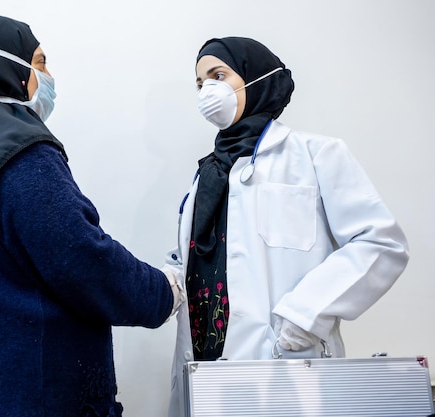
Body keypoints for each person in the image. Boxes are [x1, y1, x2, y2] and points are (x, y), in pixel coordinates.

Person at [0, 15, 183, 417]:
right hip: (28, 392)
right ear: (9, 67)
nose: (48, 76)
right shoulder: (21, 152)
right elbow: (82, 260)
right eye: (40, 63)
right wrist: (163, 292)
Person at [165, 36, 409, 417]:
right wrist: (168, 280)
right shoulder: (206, 177)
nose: (206, 91)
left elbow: (380, 242)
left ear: (256, 78)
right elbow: (194, 260)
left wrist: (306, 313)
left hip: (285, 368)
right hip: (207, 373)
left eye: (217, 75)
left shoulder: (315, 155)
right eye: (199, 83)